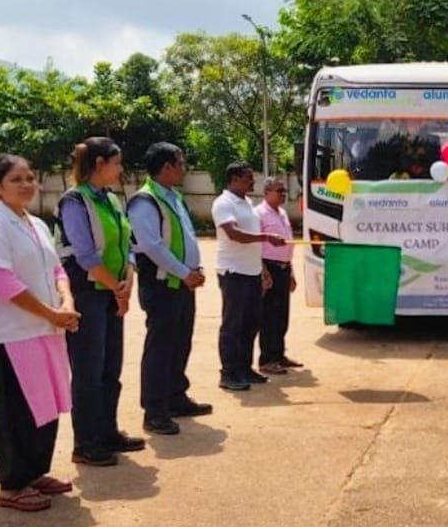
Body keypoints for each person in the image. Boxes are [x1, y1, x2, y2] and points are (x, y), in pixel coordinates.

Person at [0, 155, 78, 511]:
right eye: (16, 179)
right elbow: (1, 280)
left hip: (45, 330)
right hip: (12, 335)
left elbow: (58, 271)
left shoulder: (37, 224)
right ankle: (12, 483)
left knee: (44, 404)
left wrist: (65, 302)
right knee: (16, 411)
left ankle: (35, 472)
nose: (26, 185)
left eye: (30, 177)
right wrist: (50, 312)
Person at [56, 136, 143, 466]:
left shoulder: (112, 200)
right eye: (117, 163)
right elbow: (85, 255)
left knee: (110, 367)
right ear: (99, 164)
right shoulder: (74, 202)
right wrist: (116, 288)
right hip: (88, 291)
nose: (120, 170)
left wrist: (126, 283)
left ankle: (107, 431)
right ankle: (86, 442)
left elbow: (128, 245)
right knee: (88, 370)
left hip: (112, 289)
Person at [129, 142, 212, 437]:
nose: (184, 168)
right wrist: (184, 272)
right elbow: (151, 245)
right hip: (163, 284)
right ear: (166, 167)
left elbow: (185, 235)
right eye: (181, 163)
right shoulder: (145, 201)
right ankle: (154, 411)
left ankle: (176, 397)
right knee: (161, 348)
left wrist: (195, 269)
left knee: (180, 343)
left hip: (183, 283)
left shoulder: (173, 197)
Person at [212, 162, 287, 391]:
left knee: (250, 324)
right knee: (232, 325)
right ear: (234, 179)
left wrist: (261, 270)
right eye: (247, 178)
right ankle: (228, 373)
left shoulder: (246, 203)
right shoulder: (223, 203)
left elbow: (251, 240)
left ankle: (244, 368)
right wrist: (266, 237)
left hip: (251, 272)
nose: (252, 182)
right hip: (233, 272)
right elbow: (234, 234)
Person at [256, 177, 304, 375]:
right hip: (269, 268)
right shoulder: (259, 214)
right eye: (279, 190)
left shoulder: (282, 213)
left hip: (284, 268)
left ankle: (279, 354)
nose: (283, 194)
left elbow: (287, 244)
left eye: (284, 190)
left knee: (282, 315)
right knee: (269, 316)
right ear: (267, 192)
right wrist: (263, 271)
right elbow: (255, 246)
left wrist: (291, 271)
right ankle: (267, 359)